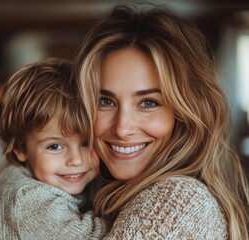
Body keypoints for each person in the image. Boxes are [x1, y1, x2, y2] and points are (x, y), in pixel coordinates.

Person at [73, 4, 249, 239]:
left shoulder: (178, 202)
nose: (123, 128)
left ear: (183, 112)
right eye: (105, 101)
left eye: (148, 103)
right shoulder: (97, 194)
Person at [0, 58, 106, 239]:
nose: (76, 160)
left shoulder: (27, 177)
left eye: (87, 143)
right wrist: (120, 205)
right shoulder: (28, 198)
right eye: (55, 146)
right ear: (20, 149)